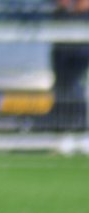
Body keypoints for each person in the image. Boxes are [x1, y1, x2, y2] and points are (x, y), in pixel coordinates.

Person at [49, 0, 89, 131]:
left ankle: (80, 130)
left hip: (82, 37)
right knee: (63, 86)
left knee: (76, 85)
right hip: (62, 37)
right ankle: (62, 134)